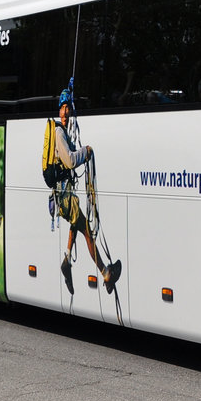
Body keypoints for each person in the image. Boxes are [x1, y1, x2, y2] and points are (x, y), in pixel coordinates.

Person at [43, 86, 122, 296]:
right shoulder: (59, 132)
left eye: (69, 109)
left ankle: (67, 260)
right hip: (64, 196)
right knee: (87, 231)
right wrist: (85, 152)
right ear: (59, 109)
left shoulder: (61, 131)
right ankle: (106, 273)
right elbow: (69, 161)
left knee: (76, 225)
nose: (66, 113)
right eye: (64, 108)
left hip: (64, 195)